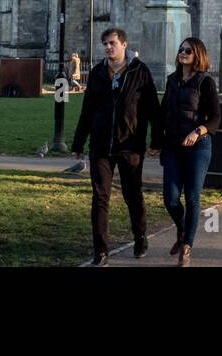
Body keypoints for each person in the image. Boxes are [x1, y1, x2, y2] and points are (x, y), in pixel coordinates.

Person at [72, 27, 163, 266]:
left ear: (124, 45)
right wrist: (78, 142)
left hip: (130, 145)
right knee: (100, 197)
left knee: (132, 194)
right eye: (104, 43)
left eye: (112, 43)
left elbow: (153, 108)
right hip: (101, 145)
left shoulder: (139, 71)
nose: (108, 47)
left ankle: (140, 236)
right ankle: (100, 250)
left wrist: (156, 141)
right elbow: (87, 110)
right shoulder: (98, 73)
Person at [159, 38, 219, 267]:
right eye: (180, 50)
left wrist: (198, 131)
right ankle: (183, 230)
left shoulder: (205, 82)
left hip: (198, 147)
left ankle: (187, 247)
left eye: (188, 51)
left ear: (198, 55)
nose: (182, 53)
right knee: (171, 199)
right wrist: (157, 141)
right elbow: (164, 112)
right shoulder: (172, 81)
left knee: (192, 196)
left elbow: (215, 117)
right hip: (173, 146)